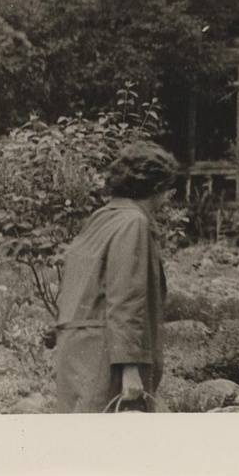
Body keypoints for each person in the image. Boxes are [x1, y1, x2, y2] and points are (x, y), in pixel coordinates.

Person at [54, 141, 178, 412]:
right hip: (104, 358)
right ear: (155, 187)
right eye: (167, 189)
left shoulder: (102, 217)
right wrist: (130, 366)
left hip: (76, 353)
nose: (167, 197)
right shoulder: (134, 222)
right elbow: (126, 296)